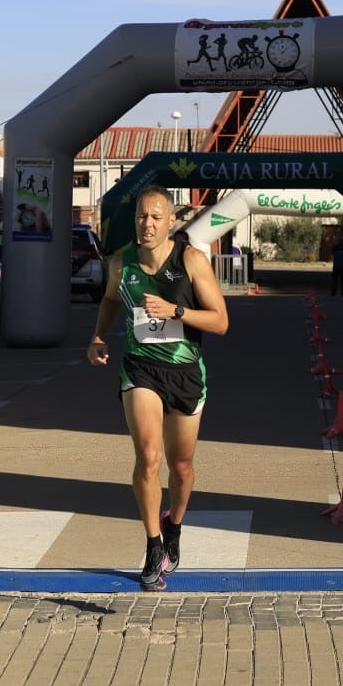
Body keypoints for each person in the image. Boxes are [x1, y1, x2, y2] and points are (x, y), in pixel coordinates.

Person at [86, 185, 229, 591]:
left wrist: (176, 311)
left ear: (170, 221)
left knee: (181, 467)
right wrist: (98, 336)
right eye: (140, 217)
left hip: (185, 373)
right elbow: (112, 301)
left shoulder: (191, 261)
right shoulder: (121, 263)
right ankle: (152, 545)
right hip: (140, 369)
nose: (146, 224)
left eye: (154, 217)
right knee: (148, 456)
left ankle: (174, 527)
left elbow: (220, 322)